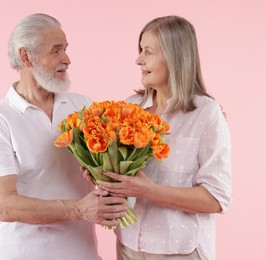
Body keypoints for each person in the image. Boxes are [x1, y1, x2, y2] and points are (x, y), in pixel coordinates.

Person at [0, 13, 128, 260]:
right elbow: (4, 205)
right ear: (26, 56)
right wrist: (78, 209)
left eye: (66, 49)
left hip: (83, 253)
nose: (67, 60)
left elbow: (108, 171)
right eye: (56, 51)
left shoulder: (83, 106)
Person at [96, 16, 232, 260]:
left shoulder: (206, 114)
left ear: (174, 57)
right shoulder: (131, 107)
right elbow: (123, 179)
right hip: (128, 246)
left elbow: (216, 198)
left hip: (180, 250)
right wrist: (101, 173)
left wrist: (150, 190)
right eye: (140, 50)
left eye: (148, 52)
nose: (138, 60)